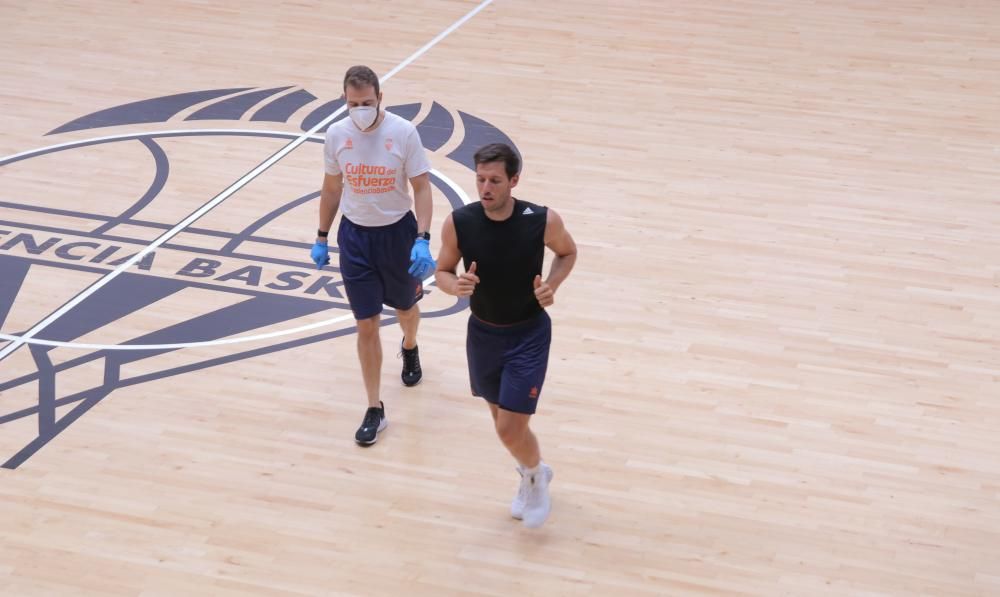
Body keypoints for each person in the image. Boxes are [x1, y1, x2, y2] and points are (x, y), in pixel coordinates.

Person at [434, 142, 577, 528]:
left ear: (514, 180)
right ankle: (534, 470)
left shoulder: (541, 220)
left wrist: (552, 286)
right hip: (482, 335)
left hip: (528, 333)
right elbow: (442, 270)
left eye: (495, 180)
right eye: (480, 179)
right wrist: (454, 286)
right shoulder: (459, 222)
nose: (485, 188)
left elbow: (567, 253)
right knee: (505, 423)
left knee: (509, 427)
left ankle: (533, 477)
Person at [311, 65, 436, 446]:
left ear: (381, 99)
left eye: (367, 103)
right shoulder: (336, 135)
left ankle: (410, 346)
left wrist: (423, 238)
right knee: (366, 324)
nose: (360, 109)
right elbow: (332, 188)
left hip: (397, 235)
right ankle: (374, 408)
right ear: (343, 102)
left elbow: (422, 187)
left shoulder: (403, 133)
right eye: (353, 104)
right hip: (355, 238)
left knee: (405, 312)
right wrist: (321, 235)